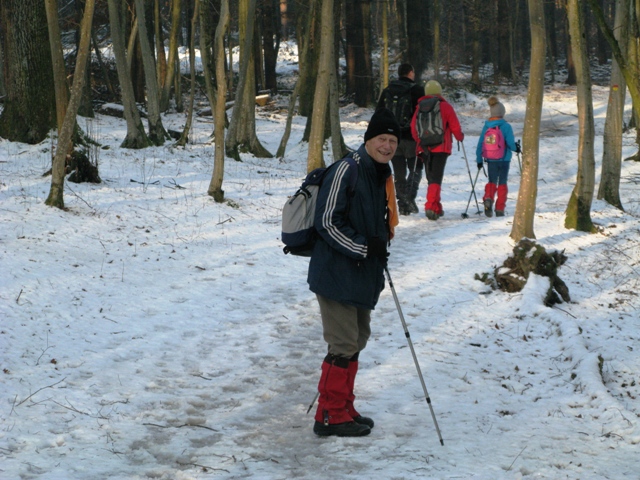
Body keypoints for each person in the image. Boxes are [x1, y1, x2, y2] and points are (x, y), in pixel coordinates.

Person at [308, 108, 400, 437]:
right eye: (381, 139)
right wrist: (364, 247)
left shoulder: (380, 173)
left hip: (362, 273)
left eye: (392, 141)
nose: (387, 146)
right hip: (337, 272)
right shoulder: (347, 169)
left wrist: (377, 246)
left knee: (357, 340)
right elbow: (327, 222)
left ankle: (343, 407)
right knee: (343, 343)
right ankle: (329, 415)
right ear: (368, 140)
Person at [410, 80, 464, 220]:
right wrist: (460, 137)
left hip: (425, 147)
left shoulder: (419, 107)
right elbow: (455, 126)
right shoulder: (445, 106)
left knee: (431, 177)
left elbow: (413, 128)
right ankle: (430, 206)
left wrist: (420, 142)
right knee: (436, 177)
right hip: (441, 147)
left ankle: (436, 207)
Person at [376, 63, 425, 215]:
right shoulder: (417, 90)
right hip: (412, 137)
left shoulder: (387, 90)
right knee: (416, 168)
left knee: (399, 172)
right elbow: (424, 113)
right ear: (410, 73)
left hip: (392, 138)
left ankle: (402, 203)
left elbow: (379, 112)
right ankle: (409, 197)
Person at [475, 96, 518, 217]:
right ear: (502, 113)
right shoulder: (506, 126)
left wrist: (479, 159)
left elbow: (480, 144)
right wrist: (516, 148)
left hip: (490, 159)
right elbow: (510, 143)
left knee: (492, 181)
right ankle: (500, 209)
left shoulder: (487, 127)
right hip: (504, 160)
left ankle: (488, 198)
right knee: (502, 182)